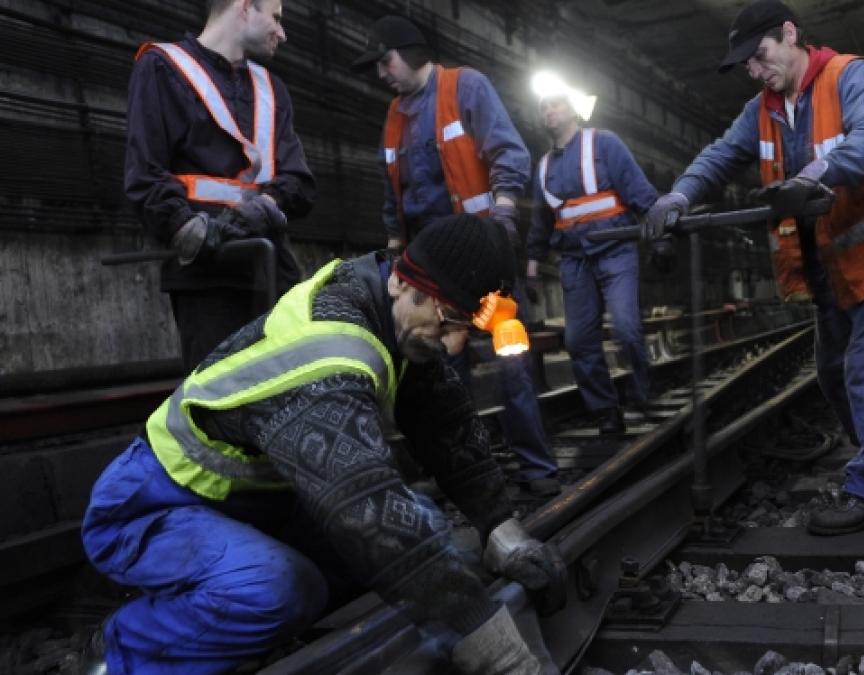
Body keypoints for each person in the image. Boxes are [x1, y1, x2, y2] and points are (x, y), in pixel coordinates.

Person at [80, 215, 563, 675]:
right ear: (400, 282)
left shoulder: (390, 306)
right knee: (283, 590)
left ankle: (237, 617)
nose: (455, 345)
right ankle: (121, 648)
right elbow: (371, 518)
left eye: (467, 329)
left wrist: (501, 529)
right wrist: (500, 654)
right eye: (448, 320)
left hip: (254, 505)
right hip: (154, 504)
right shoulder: (328, 354)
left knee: (425, 529)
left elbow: (443, 420)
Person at [643, 0, 864, 535]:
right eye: (747, 64)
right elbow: (720, 156)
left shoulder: (849, 76)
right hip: (825, 261)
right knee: (833, 371)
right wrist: (677, 195)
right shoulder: (763, 109)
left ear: (790, 34)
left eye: (760, 54)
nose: (755, 69)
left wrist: (814, 174)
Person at [351, 15, 559, 496]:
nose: (382, 73)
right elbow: (392, 193)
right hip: (425, 274)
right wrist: (393, 250)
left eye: (386, 61)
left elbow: (509, 153)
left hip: (480, 258)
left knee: (510, 358)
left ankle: (537, 468)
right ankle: (461, 474)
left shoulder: (466, 88)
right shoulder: (394, 116)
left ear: (412, 52)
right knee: (439, 372)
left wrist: (504, 214)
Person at [124, 0, 316, 372]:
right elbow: (144, 175)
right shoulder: (162, 68)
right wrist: (187, 229)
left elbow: (299, 182)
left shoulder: (272, 90)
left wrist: (264, 207)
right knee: (219, 400)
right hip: (207, 278)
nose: (283, 32)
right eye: (275, 18)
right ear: (245, 8)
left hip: (271, 270)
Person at [526, 90, 658, 434]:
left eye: (556, 104)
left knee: (627, 329)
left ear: (574, 112)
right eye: (544, 107)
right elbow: (541, 223)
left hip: (616, 251)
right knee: (579, 341)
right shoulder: (542, 168)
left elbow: (639, 190)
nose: (549, 111)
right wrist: (532, 268)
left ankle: (643, 393)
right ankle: (605, 409)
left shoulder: (605, 144)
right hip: (575, 261)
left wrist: (663, 235)